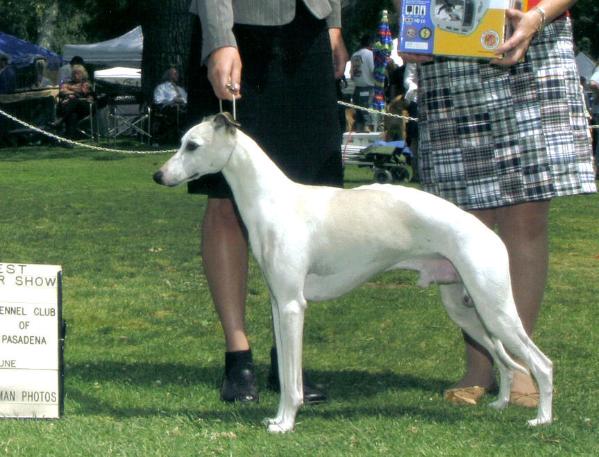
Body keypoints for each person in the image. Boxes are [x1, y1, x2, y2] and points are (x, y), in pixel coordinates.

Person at [397, 0, 597, 406]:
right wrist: (412, 26)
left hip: (532, 42)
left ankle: (520, 364)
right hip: (450, 59)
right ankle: (480, 366)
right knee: (464, 227)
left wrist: (539, 15)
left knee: (524, 220)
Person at [187, 0, 348, 403]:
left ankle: (287, 362)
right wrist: (220, 39)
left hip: (310, 28)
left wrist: (334, 22)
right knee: (225, 197)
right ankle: (237, 356)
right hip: (239, 32)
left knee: (308, 200)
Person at [54, 64, 94, 139]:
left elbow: (85, 92)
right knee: (73, 115)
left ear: (83, 74)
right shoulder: (68, 83)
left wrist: (71, 92)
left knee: (74, 100)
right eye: (74, 73)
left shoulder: (86, 84)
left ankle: (60, 120)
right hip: (71, 110)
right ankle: (68, 138)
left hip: (83, 108)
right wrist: (73, 92)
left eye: (78, 73)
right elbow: (62, 91)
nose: (76, 75)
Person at [152, 67, 188, 143]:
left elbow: (186, 100)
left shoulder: (180, 89)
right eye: (174, 73)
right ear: (168, 75)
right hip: (167, 109)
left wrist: (182, 101)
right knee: (176, 110)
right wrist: (172, 100)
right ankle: (175, 135)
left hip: (182, 108)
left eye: (177, 73)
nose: (177, 75)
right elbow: (158, 101)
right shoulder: (161, 88)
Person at [350, 34, 376, 132]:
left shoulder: (354, 55)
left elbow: (352, 74)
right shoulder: (369, 54)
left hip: (357, 89)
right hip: (368, 88)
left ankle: (360, 133)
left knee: (359, 115)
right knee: (368, 115)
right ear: (371, 43)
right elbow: (374, 71)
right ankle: (369, 133)